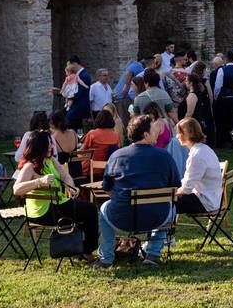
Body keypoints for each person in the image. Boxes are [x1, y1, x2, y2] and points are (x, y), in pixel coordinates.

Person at [92, 114, 181, 268]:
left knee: (104, 208)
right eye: (154, 130)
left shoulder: (116, 156)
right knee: (170, 207)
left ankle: (106, 258)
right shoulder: (164, 156)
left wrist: (120, 199)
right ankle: (153, 254)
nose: (157, 132)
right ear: (146, 135)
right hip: (156, 217)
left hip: (121, 218)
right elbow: (174, 188)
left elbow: (107, 188)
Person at [13, 131, 98, 261]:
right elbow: (17, 189)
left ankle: (78, 247)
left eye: (51, 144)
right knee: (90, 210)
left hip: (57, 205)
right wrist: (39, 181)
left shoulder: (50, 160)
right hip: (43, 212)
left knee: (85, 209)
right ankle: (86, 251)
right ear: (39, 147)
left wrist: (71, 187)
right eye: (48, 145)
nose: (51, 147)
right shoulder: (29, 166)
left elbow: (65, 175)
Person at [174, 118, 223, 215]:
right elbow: (188, 181)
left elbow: (186, 189)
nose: (177, 136)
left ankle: (166, 230)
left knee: (165, 203)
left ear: (188, 134)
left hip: (205, 202)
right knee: (168, 200)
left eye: (179, 133)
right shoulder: (204, 148)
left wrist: (170, 193)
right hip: (211, 198)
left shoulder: (196, 155)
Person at [81, 110, 121, 178]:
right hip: (108, 170)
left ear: (98, 120)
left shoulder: (92, 134)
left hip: (90, 170)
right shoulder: (116, 136)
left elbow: (82, 151)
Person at [179, 74, 216, 148]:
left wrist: (181, 125)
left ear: (191, 83)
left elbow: (189, 113)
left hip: (192, 125)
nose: (185, 83)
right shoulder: (196, 93)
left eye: (186, 81)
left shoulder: (192, 95)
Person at [212, 55, 233, 147]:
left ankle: (221, 141)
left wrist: (216, 98)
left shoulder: (222, 70)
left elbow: (218, 86)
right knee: (232, 120)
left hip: (224, 98)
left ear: (225, 60)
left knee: (221, 120)